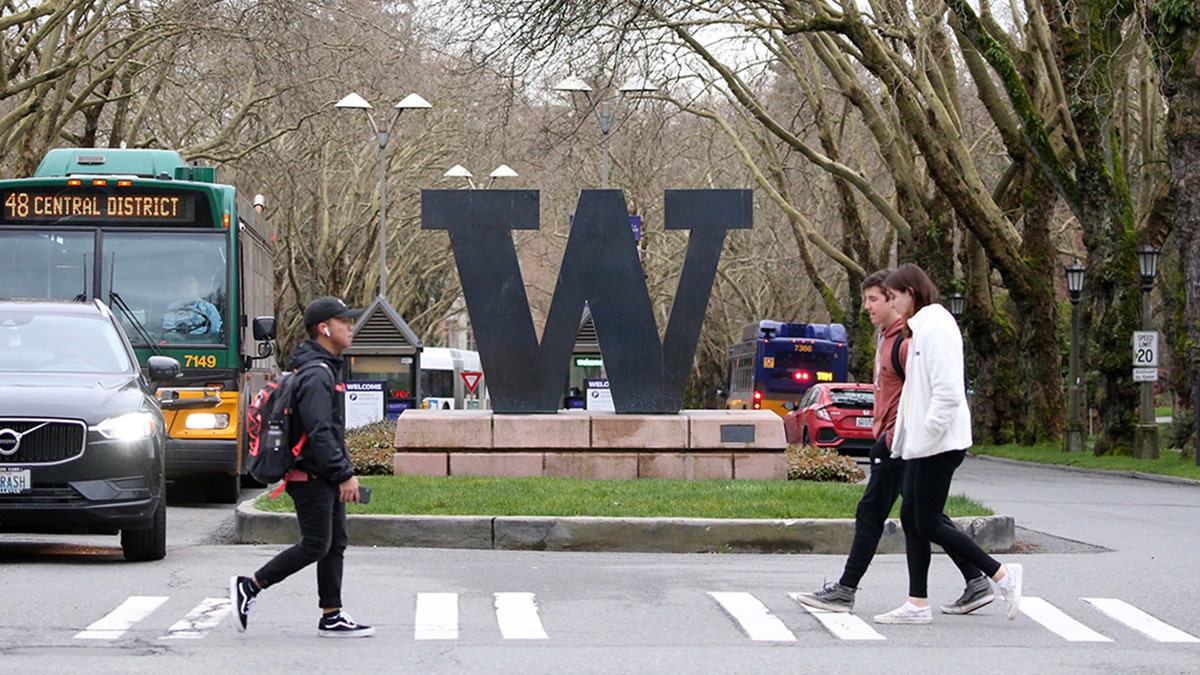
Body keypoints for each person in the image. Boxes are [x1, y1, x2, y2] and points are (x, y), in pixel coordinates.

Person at [796, 270, 993, 616]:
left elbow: (925, 393)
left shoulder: (906, 341)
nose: (867, 307)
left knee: (874, 513)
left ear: (896, 300)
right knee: (923, 517)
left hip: (904, 442)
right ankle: (973, 580)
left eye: (875, 299)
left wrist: (900, 437)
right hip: (899, 440)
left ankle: (846, 589)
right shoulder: (888, 338)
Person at [873, 263, 1023, 625]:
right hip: (923, 444)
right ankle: (917, 602)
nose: (891, 304)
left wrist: (924, 435)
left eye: (893, 297)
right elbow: (917, 392)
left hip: (938, 443)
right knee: (913, 518)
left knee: (927, 522)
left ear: (912, 293)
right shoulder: (921, 330)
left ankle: (1000, 574)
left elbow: (948, 392)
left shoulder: (937, 328)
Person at [230, 295, 373, 637]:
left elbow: (328, 432)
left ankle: (332, 614)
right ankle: (250, 585)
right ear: (324, 329)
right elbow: (320, 431)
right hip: (310, 476)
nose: (351, 327)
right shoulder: (317, 375)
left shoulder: (322, 369)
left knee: (335, 542)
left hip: (319, 474)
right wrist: (344, 474)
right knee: (316, 544)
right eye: (344, 322)